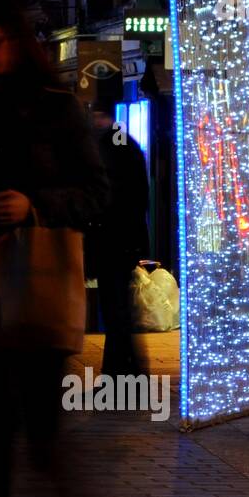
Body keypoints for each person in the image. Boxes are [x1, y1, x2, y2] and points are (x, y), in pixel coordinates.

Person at [0, 0, 110, 497]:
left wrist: (35, 205)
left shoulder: (57, 110)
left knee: (41, 442)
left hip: (36, 292)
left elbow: (95, 194)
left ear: (18, 43)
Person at [87, 97, 151, 379]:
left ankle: (121, 376)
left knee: (116, 310)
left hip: (112, 240)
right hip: (123, 239)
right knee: (118, 309)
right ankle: (122, 372)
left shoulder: (107, 147)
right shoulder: (126, 145)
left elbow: (108, 199)